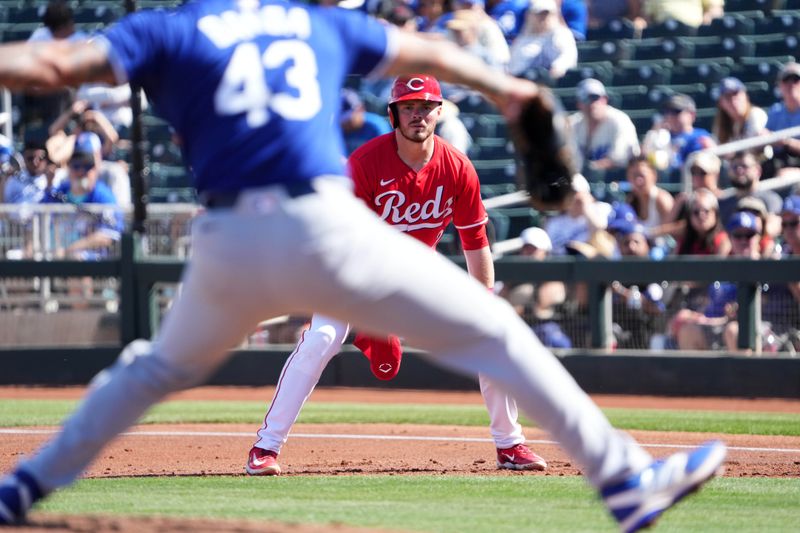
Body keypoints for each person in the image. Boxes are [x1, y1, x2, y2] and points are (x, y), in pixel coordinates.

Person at [0, 2, 726, 531]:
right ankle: (624, 479)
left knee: (154, 368)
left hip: (227, 237)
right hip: (323, 226)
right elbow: (429, 54)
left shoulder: (170, 26)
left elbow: (54, 64)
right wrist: (511, 91)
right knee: (494, 329)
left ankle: (25, 485)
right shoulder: (315, 22)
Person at [248, 75, 546, 476]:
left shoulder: (457, 168)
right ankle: (265, 448)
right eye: (408, 106)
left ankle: (510, 445)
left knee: (493, 331)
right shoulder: (366, 164)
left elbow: (476, 243)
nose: (417, 114)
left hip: (412, 275)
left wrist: (485, 299)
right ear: (393, 114)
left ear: (439, 112)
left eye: (425, 106)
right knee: (320, 337)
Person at [568, 78, 640, 174]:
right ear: (578, 104)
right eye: (585, 99)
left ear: (604, 99)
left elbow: (619, 161)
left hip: (619, 178)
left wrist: (590, 167)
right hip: (585, 177)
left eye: (594, 98)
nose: (591, 104)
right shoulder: (574, 123)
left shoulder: (620, 121)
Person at [508, 0, 577, 80]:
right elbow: (514, 69)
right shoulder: (523, 38)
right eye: (539, 14)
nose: (543, 18)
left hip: (556, 83)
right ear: (530, 15)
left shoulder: (562, 34)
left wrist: (557, 68)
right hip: (526, 83)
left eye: (547, 14)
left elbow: (568, 57)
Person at [661, 94, 716, 176]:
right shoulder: (661, 136)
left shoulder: (700, 136)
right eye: (668, 112)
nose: (670, 116)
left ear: (691, 114)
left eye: (676, 111)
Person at [764, 62, 800, 179]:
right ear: (779, 85)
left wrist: (786, 142)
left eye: (795, 80)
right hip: (779, 162)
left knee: (783, 175)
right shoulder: (775, 111)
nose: (791, 85)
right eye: (786, 80)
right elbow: (765, 137)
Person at [711, 77, 767, 148]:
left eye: (735, 94)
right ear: (721, 103)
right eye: (728, 97)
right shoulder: (721, 123)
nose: (733, 100)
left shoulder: (756, 114)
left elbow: (752, 148)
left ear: (745, 96)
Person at [339, 87, 392, 156]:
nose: (345, 123)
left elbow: (385, 155)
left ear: (360, 110)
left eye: (349, 119)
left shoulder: (375, 126)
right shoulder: (338, 127)